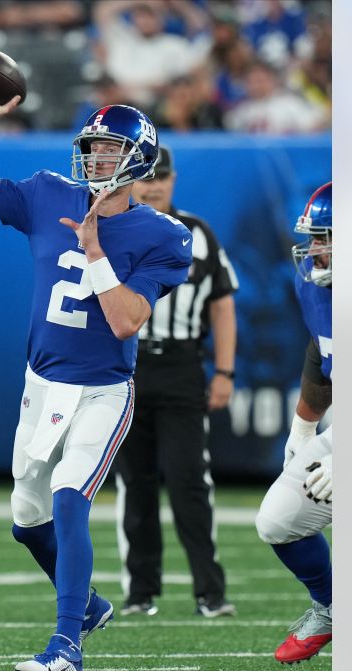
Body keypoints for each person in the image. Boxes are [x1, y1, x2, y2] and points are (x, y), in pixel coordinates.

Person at [0, 98, 193, 671]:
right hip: (41, 385)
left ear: (140, 161)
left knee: (67, 498)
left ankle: (66, 649)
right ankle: (89, 605)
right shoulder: (47, 193)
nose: (98, 158)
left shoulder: (163, 235)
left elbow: (128, 320)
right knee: (26, 521)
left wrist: (96, 252)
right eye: (93, 147)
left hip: (101, 393)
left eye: (112, 149)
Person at [115, 145, 239, 619]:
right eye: (147, 177)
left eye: (162, 176)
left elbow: (223, 303)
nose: (155, 185)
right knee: (136, 482)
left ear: (173, 179)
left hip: (183, 366)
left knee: (189, 481)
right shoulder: (112, 226)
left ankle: (210, 590)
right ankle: (141, 592)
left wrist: (224, 371)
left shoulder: (198, 234)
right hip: (127, 364)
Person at [255, 181, 333, 664]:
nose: (316, 249)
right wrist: (304, 427)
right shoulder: (317, 286)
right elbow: (321, 352)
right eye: (315, 236)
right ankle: (334, 607)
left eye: (327, 237)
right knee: (279, 519)